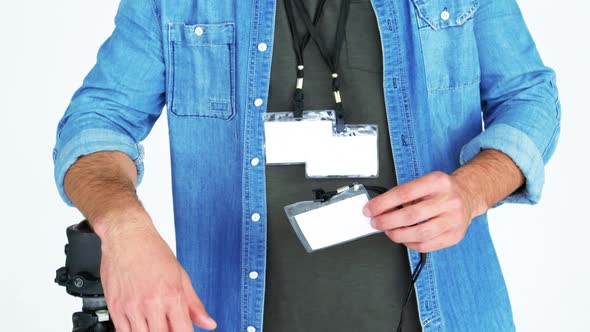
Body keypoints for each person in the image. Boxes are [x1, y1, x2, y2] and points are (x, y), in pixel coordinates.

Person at [53, 0, 560, 331]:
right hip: (232, 316)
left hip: (448, 314)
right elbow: (97, 120)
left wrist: (472, 187)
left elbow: (529, 97)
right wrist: (123, 227)